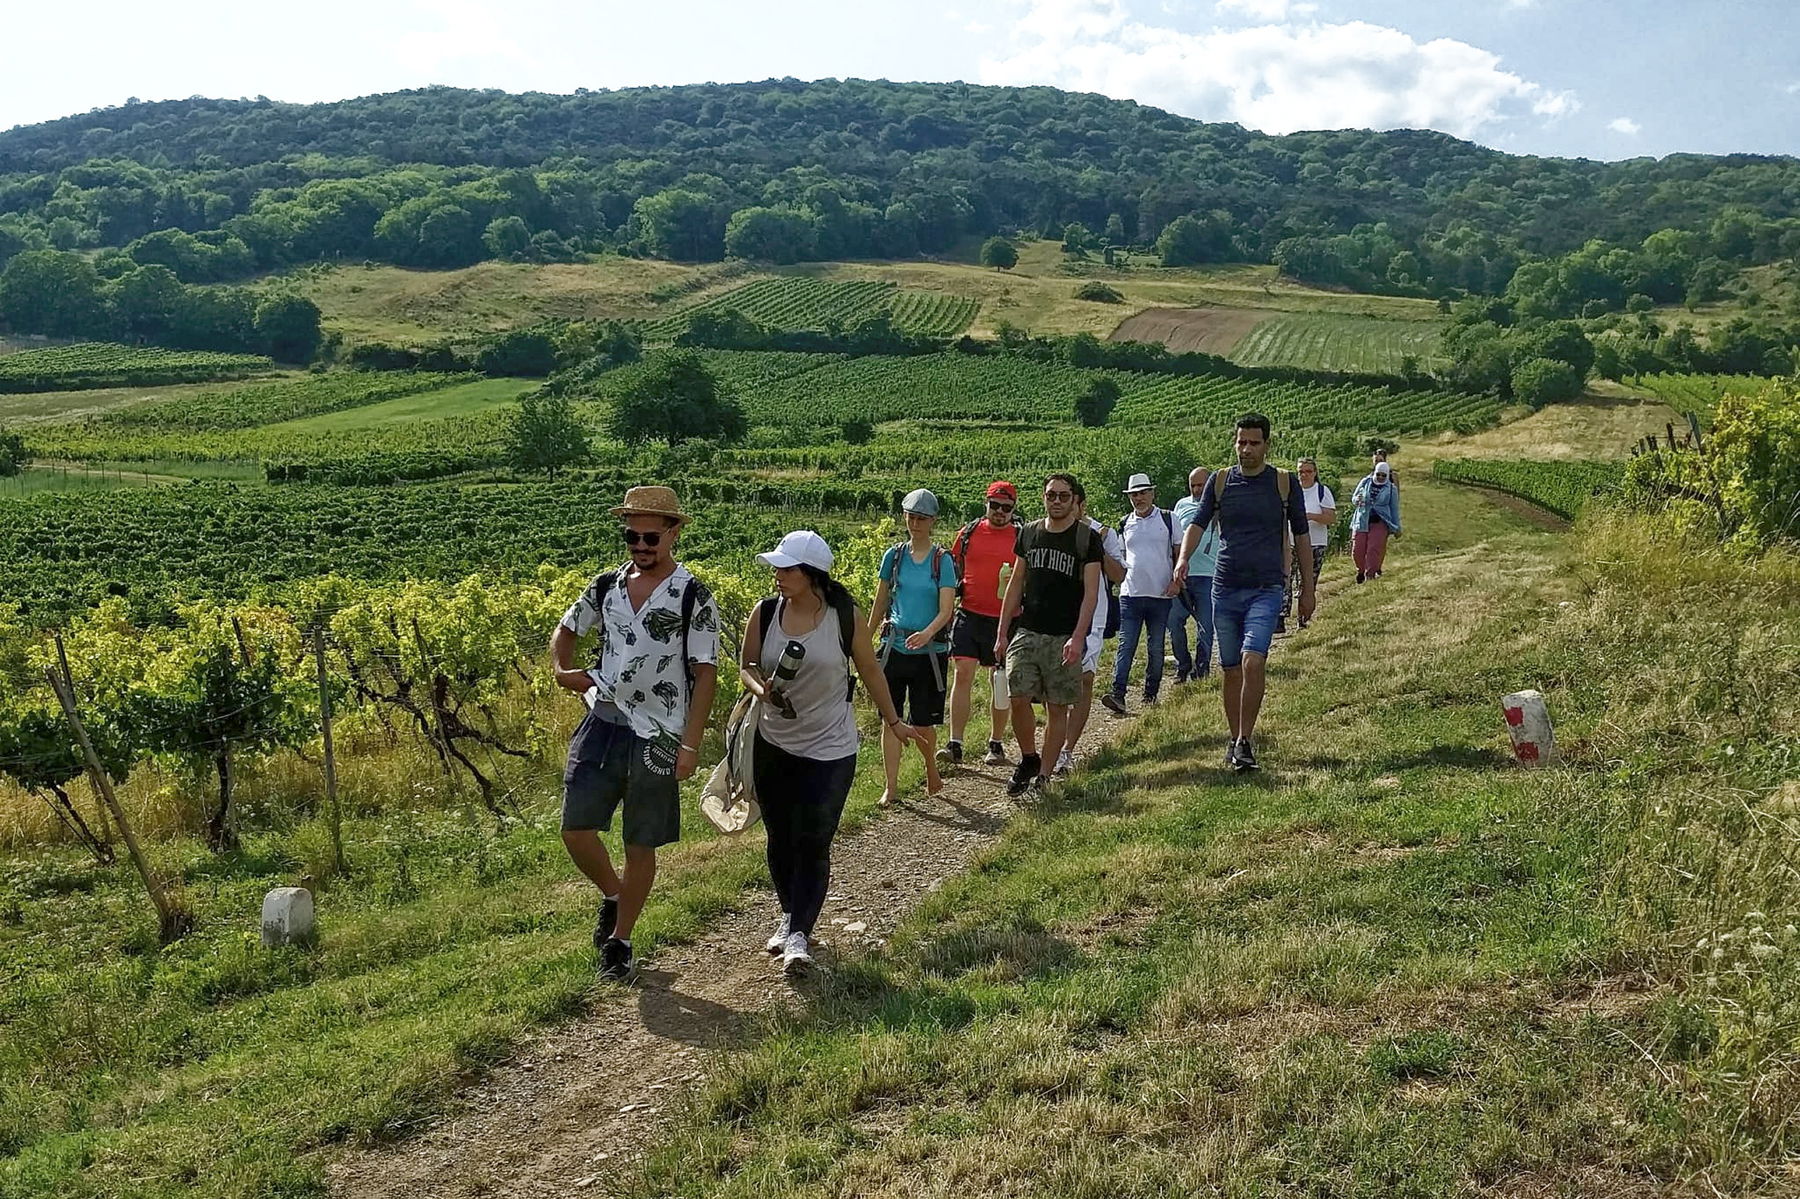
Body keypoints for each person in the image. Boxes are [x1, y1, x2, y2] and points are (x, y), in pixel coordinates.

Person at [552, 485, 720, 982]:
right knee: (575, 828)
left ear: (673, 534)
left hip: (660, 735)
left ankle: (620, 941)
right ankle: (614, 894)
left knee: (640, 842)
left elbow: (705, 672)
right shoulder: (605, 586)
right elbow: (567, 627)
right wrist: (563, 670)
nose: (641, 545)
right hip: (602, 718)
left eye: (651, 536)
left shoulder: (693, 595)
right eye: (632, 536)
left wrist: (690, 745)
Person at [738, 530, 925, 975]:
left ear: (812, 574)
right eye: (778, 568)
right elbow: (746, 665)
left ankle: (800, 932)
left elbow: (871, 671)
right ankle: (790, 915)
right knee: (780, 839)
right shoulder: (764, 614)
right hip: (774, 743)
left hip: (830, 749)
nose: (778, 576)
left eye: (787, 569)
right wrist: (760, 689)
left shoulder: (844, 617)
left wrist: (894, 722)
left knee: (814, 839)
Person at [1174, 414, 1314, 773]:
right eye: (1241, 442)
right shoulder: (1220, 482)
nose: (1246, 449)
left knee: (1254, 661)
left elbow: (1301, 536)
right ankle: (1234, 737)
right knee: (1231, 669)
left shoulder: (1283, 483)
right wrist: (1183, 559)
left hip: (1266, 588)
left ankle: (1244, 740)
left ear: (1267, 444)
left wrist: (1307, 589)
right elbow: (1198, 523)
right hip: (1225, 588)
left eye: (1253, 442)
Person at [994, 473, 1104, 796]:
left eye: (1063, 496)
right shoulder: (1029, 534)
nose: (1056, 501)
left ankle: (1043, 776)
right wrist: (1002, 633)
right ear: (1043, 497)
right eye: (1051, 495)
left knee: (1057, 708)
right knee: (1017, 696)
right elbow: (1015, 584)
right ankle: (1029, 757)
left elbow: (1091, 594)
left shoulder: (1086, 539)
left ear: (1074, 500)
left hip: (1064, 635)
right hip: (1028, 630)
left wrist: (1079, 636)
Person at [870, 488, 958, 806]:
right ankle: (890, 787)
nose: (915, 523)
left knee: (923, 722)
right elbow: (880, 602)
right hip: (893, 647)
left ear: (932, 521)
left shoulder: (942, 560)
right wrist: (864, 644)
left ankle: (930, 767)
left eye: (921, 518)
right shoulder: (893, 557)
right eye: (910, 516)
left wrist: (927, 633)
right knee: (890, 719)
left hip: (929, 653)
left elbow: (946, 609)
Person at [940, 481, 1020, 770]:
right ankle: (955, 743)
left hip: (1005, 618)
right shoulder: (968, 533)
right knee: (962, 674)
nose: (999, 512)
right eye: (994, 505)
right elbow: (953, 570)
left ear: (1014, 509)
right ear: (986, 504)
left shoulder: (1021, 536)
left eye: (1006, 508)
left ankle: (996, 743)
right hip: (969, 613)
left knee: (999, 681)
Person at [1102, 472, 1181, 716]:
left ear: (1152, 493)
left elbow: (1178, 553)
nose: (1139, 498)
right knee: (1126, 645)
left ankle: (1150, 693)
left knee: (1156, 647)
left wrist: (1176, 582)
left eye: (1143, 493)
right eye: (1134, 494)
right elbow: (1120, 557)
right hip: (1131, 594)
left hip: (1160, 594)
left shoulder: (1169, 519)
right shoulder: (1125, 523)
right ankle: (1118, 693)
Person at [1060, 490, 1126, 776]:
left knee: (1084, 680)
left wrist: (1096, 545)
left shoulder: (1105, 533)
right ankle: (1052, 746)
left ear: (1081, 505)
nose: (1063, 506)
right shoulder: (1051, 531)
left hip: (1092, 619)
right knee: (1058, 685)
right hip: (1057, 617)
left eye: (1069, 501)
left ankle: (1067, 750)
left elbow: (1119, 575)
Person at [1169, 466, 1220, 683]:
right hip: (1182, 575)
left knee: (1206, 625)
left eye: (1202, 485)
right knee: (1173, 621)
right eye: (1194, 485)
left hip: (1210, 575)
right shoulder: (1181, 505)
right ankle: (1183, 664)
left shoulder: (1220, 506)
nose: (1198, 489)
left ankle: (1201, 669)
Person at [1288, 457, 1337, 627]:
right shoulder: (1291, 491)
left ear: (1315, 473)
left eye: (1308, 471)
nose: (1304, 475)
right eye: (1301, 471)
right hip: (1291, 543)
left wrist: (1309, 516)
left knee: (1308, 582)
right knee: (1285, 579)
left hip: (1315, 543)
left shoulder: (1322, 492)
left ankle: (1303, 618)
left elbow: (1331, 518)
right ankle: (1280, 616)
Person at [1350, 460, 1402, 582]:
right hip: (1362, 519)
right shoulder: (1365, 482)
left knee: (1374, 549)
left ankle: (1370, 574)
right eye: (1378, 474)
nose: (1380, 477)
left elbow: (1394, 509)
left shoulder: (1391, 489)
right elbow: (1353, 498)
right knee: (1357, 549)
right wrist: (1357, 500)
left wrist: (1397, 527)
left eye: (1383, 475)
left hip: (1380, 521)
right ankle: (1360, 570)